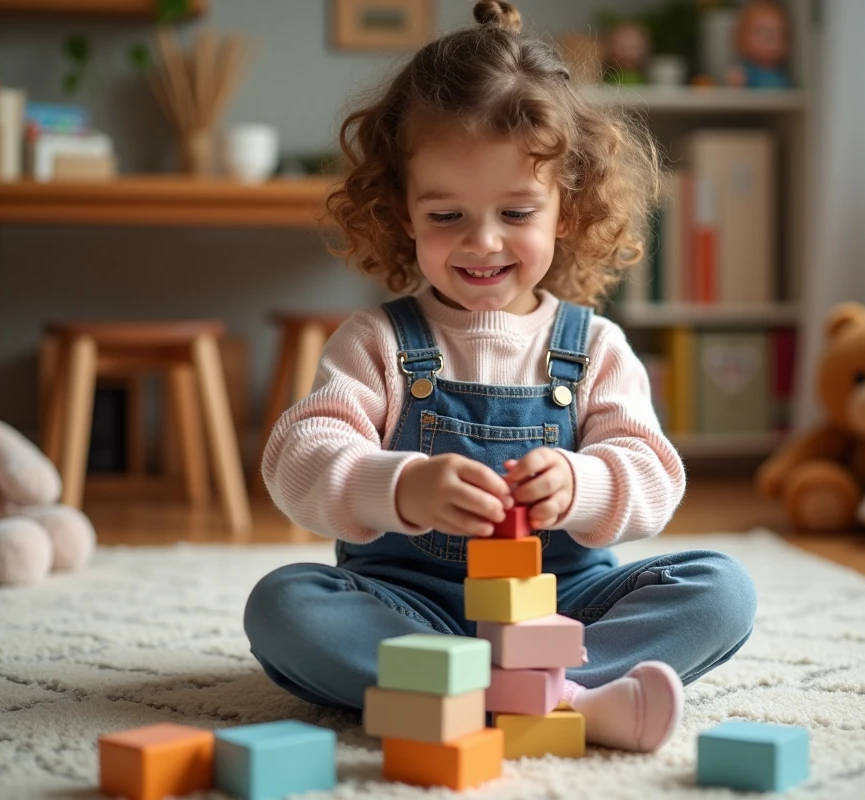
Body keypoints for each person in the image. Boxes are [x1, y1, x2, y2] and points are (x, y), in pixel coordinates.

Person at [245, 0, 757, 754]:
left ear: (568, 211)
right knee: (283, 604)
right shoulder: (378, 341)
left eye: (516, 210)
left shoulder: (596, 348)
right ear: (404, 214)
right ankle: (549, 704)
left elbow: (653, 476)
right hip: (408, 609)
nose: (482, 241)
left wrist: (584, 483)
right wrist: (398, 485)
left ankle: (535, 687)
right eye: (447, 214)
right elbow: (297, 457)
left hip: (563, 611)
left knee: (722, 589)